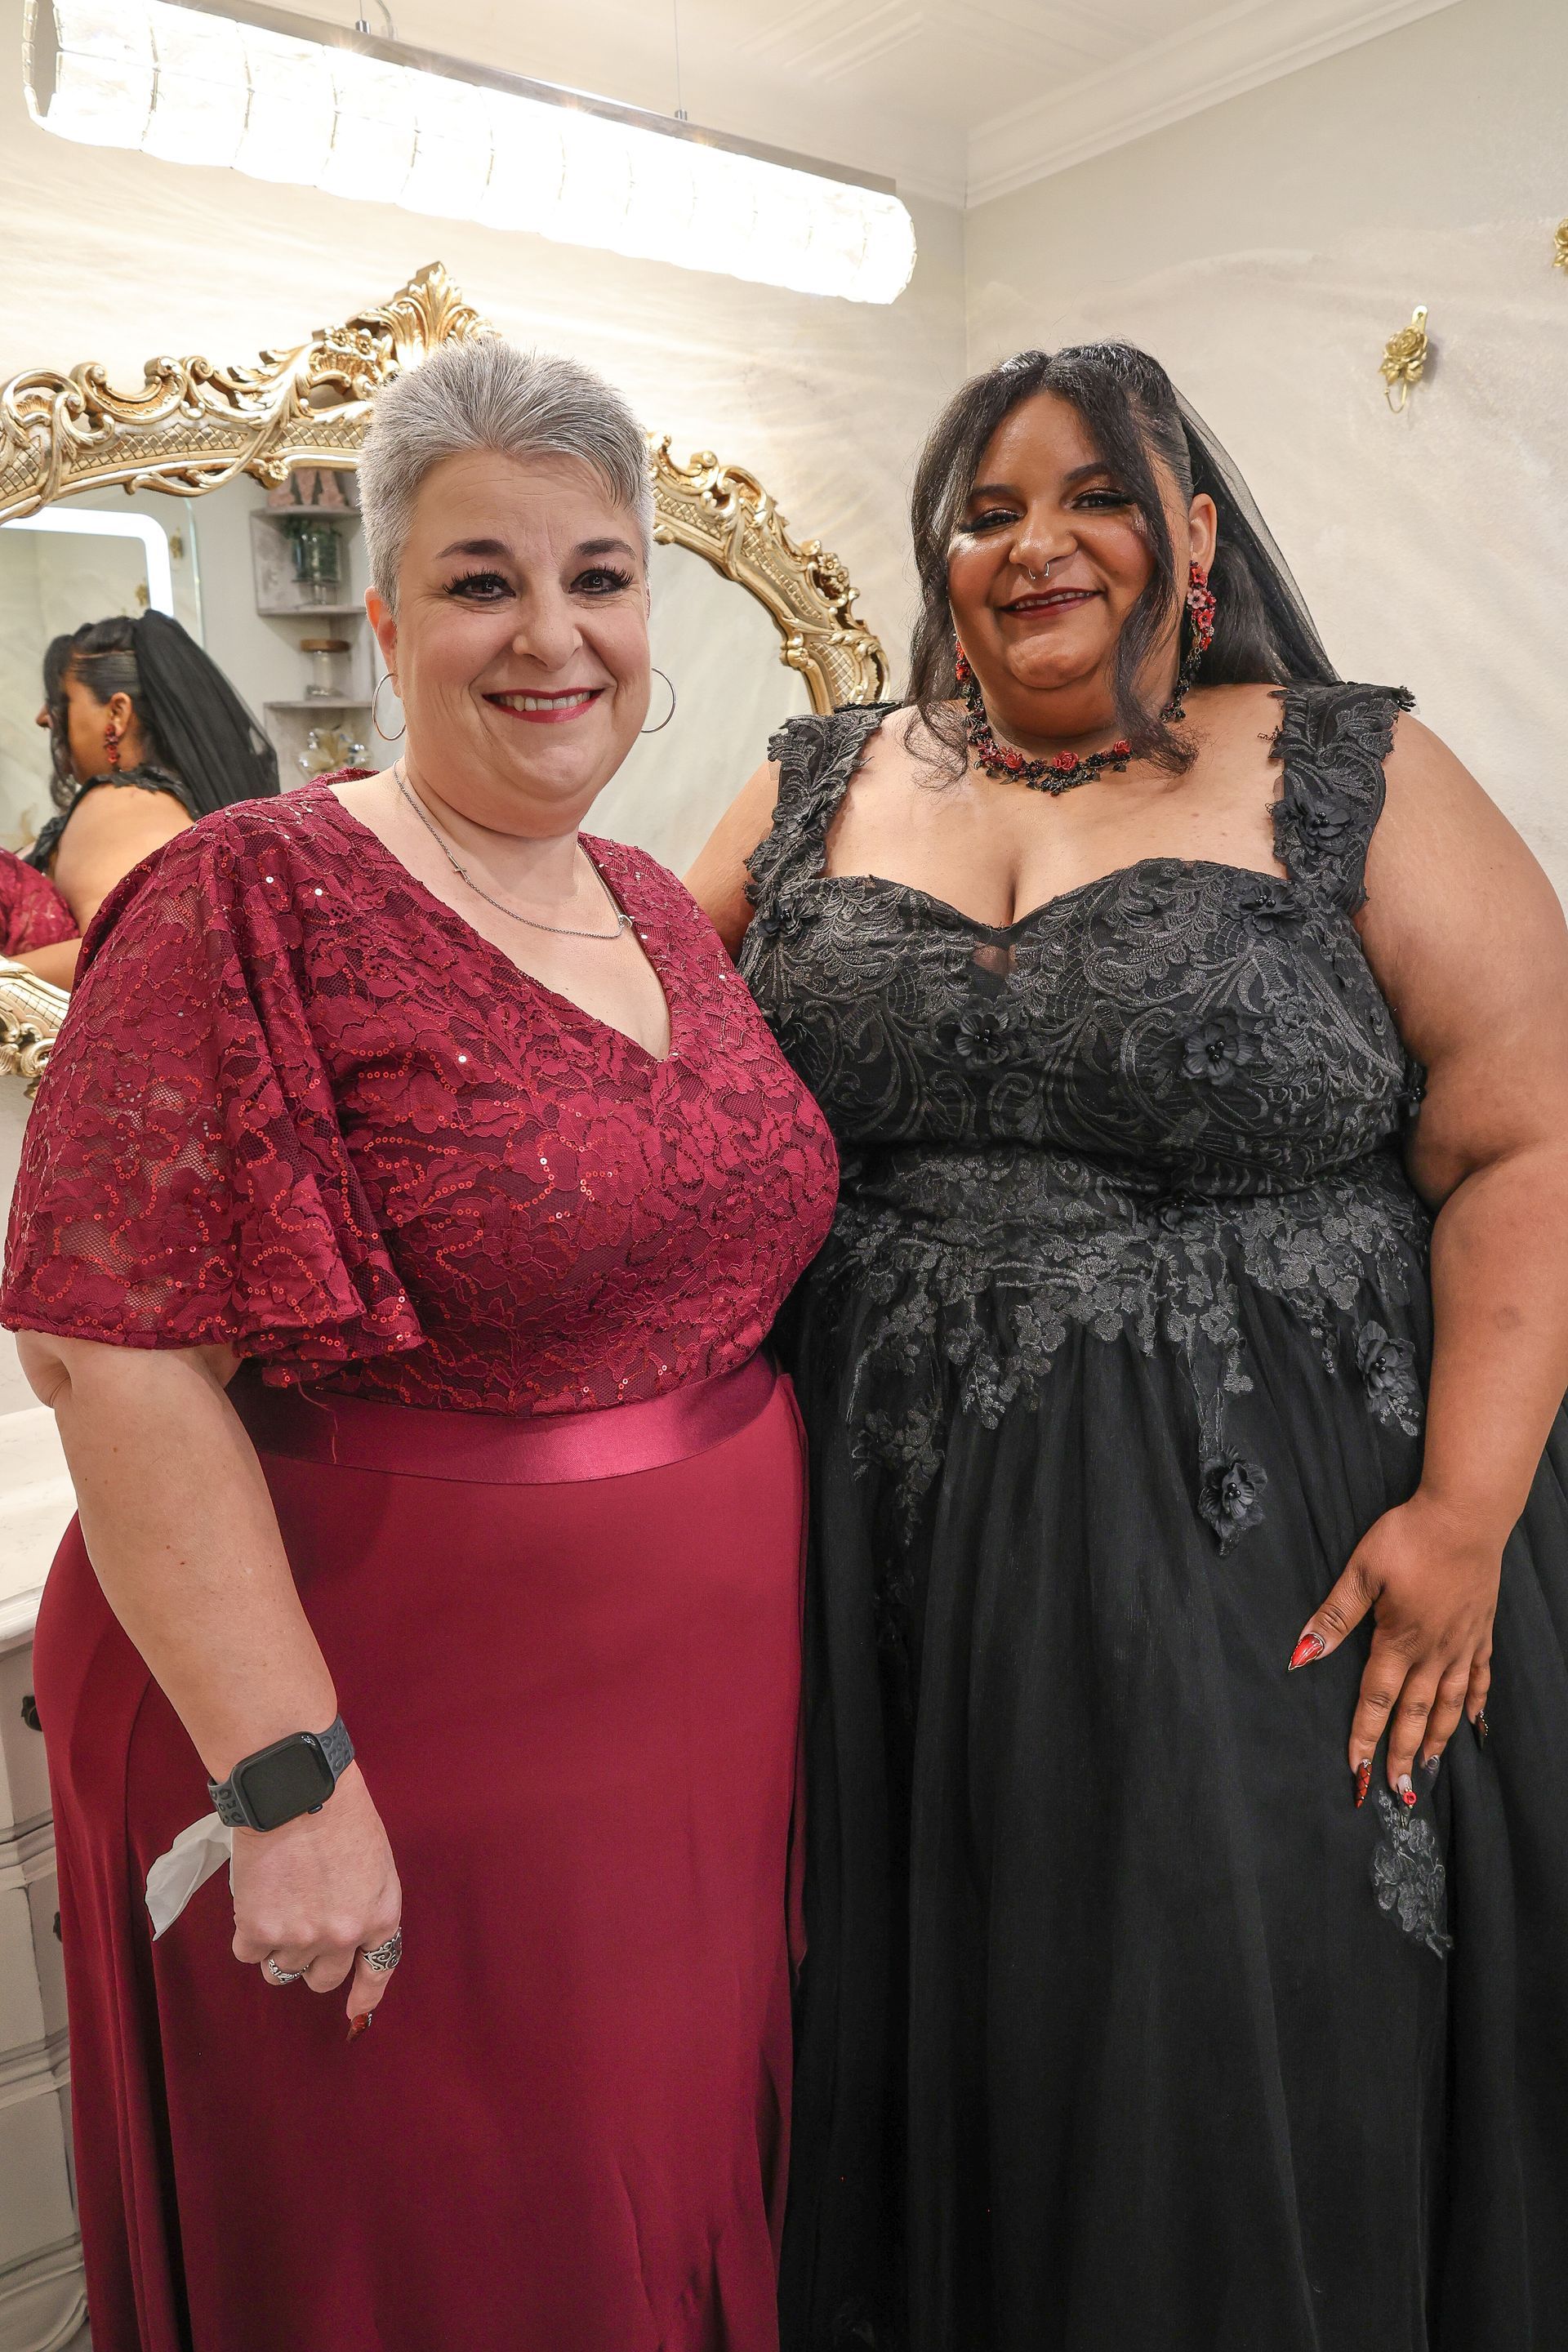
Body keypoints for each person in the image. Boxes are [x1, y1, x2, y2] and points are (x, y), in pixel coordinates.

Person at [688, 342, 1568, 2351]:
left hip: (1270, 1534)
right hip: (875, 1544)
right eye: (986, 510)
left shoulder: (1347, 766)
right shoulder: (818, 777)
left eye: (1094, 494)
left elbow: (1526, 1132)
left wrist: (1464, 1513)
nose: (1038, 543)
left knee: (1233, 2024)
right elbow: (619, 1042)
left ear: (1193, 532)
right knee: (942, 2025)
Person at [2, 336, 837, 2352]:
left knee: (656, 2203)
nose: (551, 635)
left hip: (688, 1721)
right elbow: (109, 1353)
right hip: (390, 1707)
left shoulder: (649, 898)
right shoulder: (243, 890)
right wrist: (288, 1780)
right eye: (481, 581)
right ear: (382, 621)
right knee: (450, 2244)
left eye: (598, 576)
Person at [20, 609, 278, 986]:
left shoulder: (122, 803)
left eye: (62, 701)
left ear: (117, 713)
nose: (44, 717)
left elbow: (119, 949)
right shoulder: (161, 801)